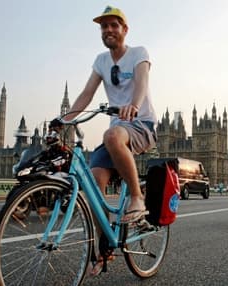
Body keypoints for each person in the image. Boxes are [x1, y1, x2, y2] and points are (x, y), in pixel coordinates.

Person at [55, 5, 157, 276]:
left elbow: (142, 83)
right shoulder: (101, 61)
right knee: (93, 187)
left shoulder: (139, 54)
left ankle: (136, 198)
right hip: (117, 129)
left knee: (111, 135)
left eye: (114, 25)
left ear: (124, 29)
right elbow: (87, 94)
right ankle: (104, 248)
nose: (109, 30)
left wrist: (133, 105)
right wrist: (64, 120)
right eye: (104, 26)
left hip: (140, 125)